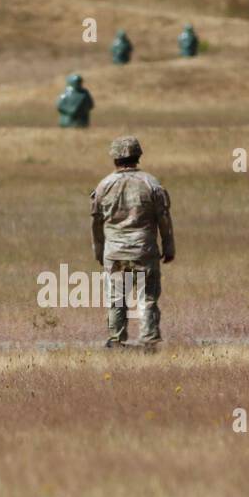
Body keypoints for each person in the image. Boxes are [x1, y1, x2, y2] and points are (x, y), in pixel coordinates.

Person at [90, 136, 175, 348]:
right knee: (147, 296)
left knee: (116, 297)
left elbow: (96, 223)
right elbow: (163, 218)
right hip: (143, 250)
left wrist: (99, 251)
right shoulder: (151, 183)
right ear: (138, 156)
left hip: (115, 252)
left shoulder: (104, 186)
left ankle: (116, 339)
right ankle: (149, 340)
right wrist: (168, 245)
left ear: (114, 158)